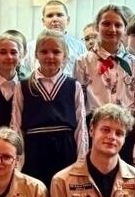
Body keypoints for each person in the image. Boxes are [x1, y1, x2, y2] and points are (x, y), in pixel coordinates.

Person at [74, 5, 135, 165]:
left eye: (118, 25)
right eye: (106, 24)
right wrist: (82, 142)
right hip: (96, 129)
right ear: (97, 27)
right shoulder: (83, 62)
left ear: (125, 29)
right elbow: (78, 106)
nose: (112, 29)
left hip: (126, 130)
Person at [20, 30, 89, 188]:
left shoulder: (73, 85)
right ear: (36, 54)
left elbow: (81, 126)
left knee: (63, 195)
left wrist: (81, 161)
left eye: (56, 52)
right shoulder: (23, 86)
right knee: (37, 195)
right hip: (34, 150)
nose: (50, 56)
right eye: (44, 51)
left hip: (66, 149)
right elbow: (16, 125)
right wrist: (19, 161)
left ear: (65, 56)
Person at [38, 0, 89, 69]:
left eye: (59, 15)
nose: (55, 19)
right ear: (43, 21)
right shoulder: (32, 47)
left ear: (68, 20)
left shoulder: (79, 47)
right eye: (50, 16)